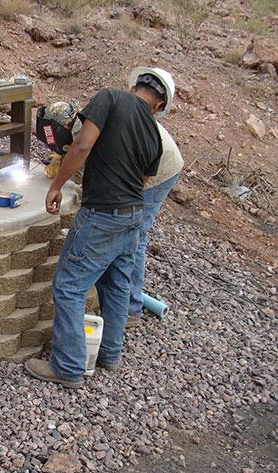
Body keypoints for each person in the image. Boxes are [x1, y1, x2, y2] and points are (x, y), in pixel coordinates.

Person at [25, 67, 175, 388]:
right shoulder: (155, 133)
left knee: (69, 285)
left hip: (102, 214)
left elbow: (82, 145)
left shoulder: (111, 97)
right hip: (133, 215)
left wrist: (57, 186)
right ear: (160, 105)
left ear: (135, 85)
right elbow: (143, 181)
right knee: (118, 284)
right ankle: (109, 354)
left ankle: (68, 367)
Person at [127, 121, 183, 327]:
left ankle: (130, 309)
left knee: (135, 236)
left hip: (160, 171)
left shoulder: (93, 130)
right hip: (156, 160)